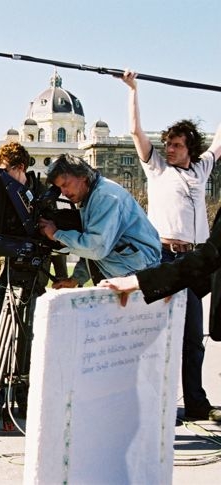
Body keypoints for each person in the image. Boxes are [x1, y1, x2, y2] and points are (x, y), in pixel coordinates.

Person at [119, 70, 221, 423]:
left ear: (190, 147)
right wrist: (133, 90)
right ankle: (160, 403)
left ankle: (195, 403)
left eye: (176, 145)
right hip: (164, 257)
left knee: (192, 338)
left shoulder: (202, 168)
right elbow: (136, 131)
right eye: (168, 144)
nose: (170, 149)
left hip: (194, 262)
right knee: (161, 336)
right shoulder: (157, 168)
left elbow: (220, 139)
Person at [98, 208, 221, 422]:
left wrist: (141, 281)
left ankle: (194, 402)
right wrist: (168, 284)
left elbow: (210, 256)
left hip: (187, 262)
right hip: (174, 262)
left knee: (193, 343)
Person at [0, 142, 51, 418]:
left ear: (20, 168)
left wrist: (61, 276)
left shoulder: (42, 194)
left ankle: (25, 394)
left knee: (27, 337)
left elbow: (52, 236)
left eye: (3, 171)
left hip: (30, 275)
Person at [38, 154, 161, 287]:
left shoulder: (105, 196)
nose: (64, 192)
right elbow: (97, 249)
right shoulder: (92, 196)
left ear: (82, 176)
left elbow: (96, 248)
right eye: (60, 188)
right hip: (130, 274)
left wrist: (56, 234)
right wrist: (76, 279)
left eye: (65, 184)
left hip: (141, 276)